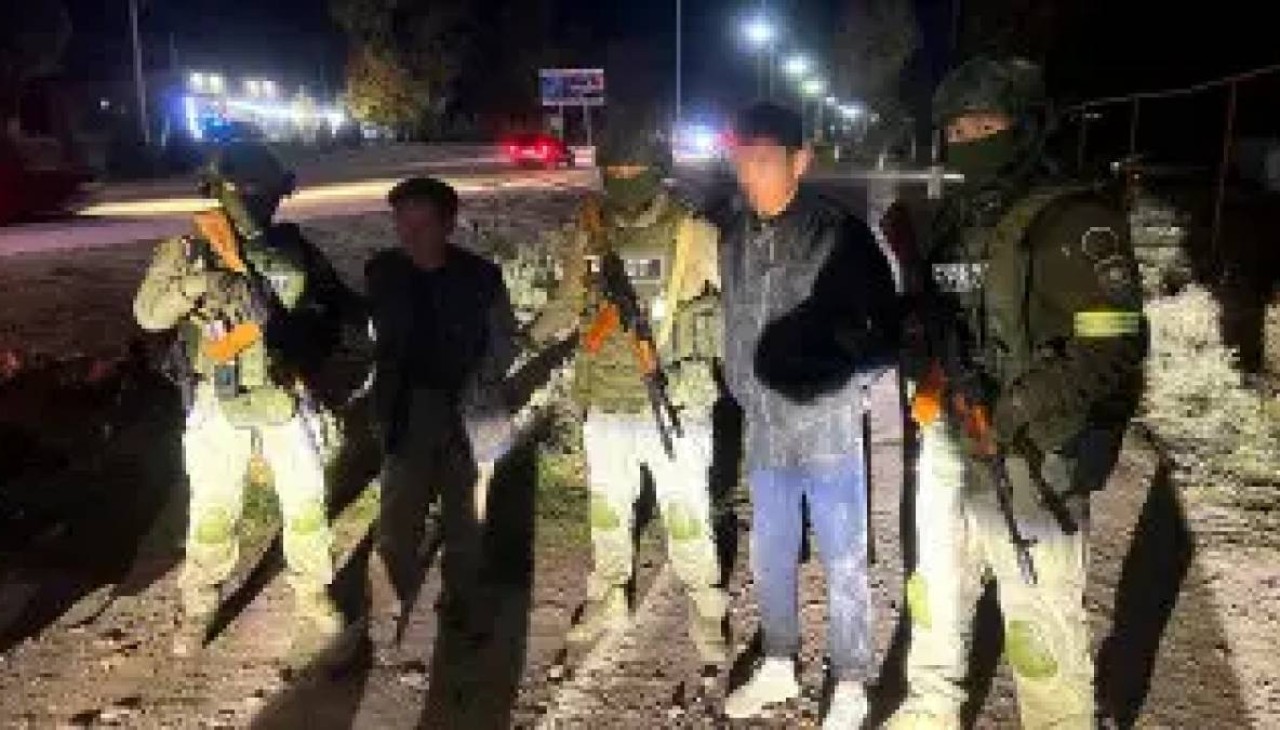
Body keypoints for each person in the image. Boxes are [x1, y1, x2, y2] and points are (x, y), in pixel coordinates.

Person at [887, 57, 1146, 729]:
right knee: (935, 590)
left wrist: (1016, 408)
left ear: (1025, 127)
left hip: (1032, 454)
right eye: (956, 130)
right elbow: (931, 314)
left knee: (1039, 622)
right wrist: (913, 342)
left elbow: (1115, 342)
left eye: (985, 126)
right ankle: (931, 708)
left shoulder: (1073, 220)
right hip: (950, 437)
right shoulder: (949, 222)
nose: (968, 141)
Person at [134, 141, 363, 666]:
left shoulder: (293, 248)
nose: (260, 203)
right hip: (218, 394)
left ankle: (312, 593)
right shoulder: (190, 249)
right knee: (214, 505)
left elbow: (337, 300)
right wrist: (203, 282)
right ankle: (200, 604)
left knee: (306, 500)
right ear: (220, 193)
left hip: (284, 388)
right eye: (248, 193)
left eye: (267, 193)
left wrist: (381, 317)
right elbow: (149, 314)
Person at [718, 102, 899, 727]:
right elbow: (734, 324)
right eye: (743, 161)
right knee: (770, 555)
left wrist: (842, 386)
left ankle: (850, 679)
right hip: (765, 432)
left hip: (828, 432)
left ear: (801, 161)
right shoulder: (735, 236)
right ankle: (778, 661)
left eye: (765, 161)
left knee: (844, 559)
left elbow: (886, 333)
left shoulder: (839, 235)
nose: (751, 174)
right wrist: (743, 388)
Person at [527, 123, 728, 663]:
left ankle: (706, 605)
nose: (622, 179)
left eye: (633, 170)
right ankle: (608, 596)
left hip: (674, 401)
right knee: (608, 509)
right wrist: (524, 340)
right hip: (606, 398)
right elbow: (569, 302)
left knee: (685, 510)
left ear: (658, 170)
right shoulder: (590, 232)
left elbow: (734, 309)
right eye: (613, 171)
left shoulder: (694, 234)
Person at [363, 176, 518, 641]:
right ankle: (385, 613)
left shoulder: (481, 277)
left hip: (470, 411)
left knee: (466, 519)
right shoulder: (382, 273)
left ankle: (462, 604)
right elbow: (367, 336)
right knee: (397, 520)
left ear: (448, 225)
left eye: (422, 225)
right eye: (403, 224)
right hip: (407, 412)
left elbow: (503, 342)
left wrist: (481, 386)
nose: (411, 236)